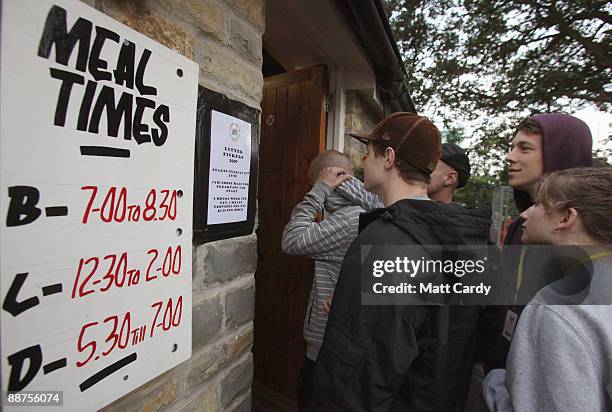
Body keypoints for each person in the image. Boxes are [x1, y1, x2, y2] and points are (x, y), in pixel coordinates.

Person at [308, 113, 491, 411]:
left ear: (389, 158)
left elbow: (357, 376)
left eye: (369, 154)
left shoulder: (386, 244)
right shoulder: (462, 239)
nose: (362, 161)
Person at [483, 167, 612, 411]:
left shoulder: (558, 308)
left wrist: (495, 383)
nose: (525, 214)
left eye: (538, 204)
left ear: (566, 218)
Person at [481, 113, 594, 371]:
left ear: (560, 155)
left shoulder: (589, 236)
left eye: (525, 148)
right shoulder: (520, 225)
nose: (510, 157)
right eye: (511, 147)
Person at [281, 150, 360, 411]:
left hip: (328, 347)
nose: (321, 197)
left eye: (316, 185)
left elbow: (292, 241)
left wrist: (318, 191)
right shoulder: (361, 211)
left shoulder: (349, 220)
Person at [337, 142, 471, 210]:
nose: (421, 168)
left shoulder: (453, 224)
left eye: (431, 166)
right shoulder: (407, 207)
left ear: (450, 178)